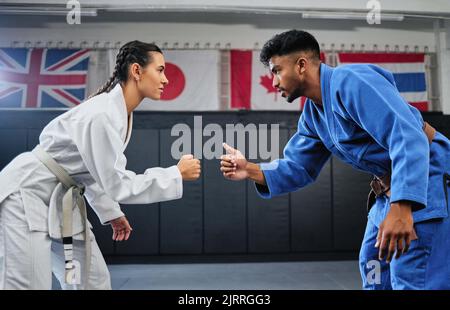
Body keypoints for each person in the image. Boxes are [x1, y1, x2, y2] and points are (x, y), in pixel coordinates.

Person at [220, 30, 450, 289]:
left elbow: (408, 136)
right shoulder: (313, 115)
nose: (273, 81)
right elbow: (298, 166)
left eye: (276, 70)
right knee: (374, 266)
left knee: (412, 273)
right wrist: (250, 169)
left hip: (426, 176)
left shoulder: (352, 81)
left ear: (301, 65)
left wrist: (403, 206)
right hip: (390, 190)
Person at [0, 40, 201, 290]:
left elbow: (92, 171)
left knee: (91, 280)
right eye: (160, 70)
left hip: (62, 199)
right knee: (28, 283)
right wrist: (175, 174)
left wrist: (111, 212)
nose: (166, 79)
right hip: (25, 196)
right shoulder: (103, 113)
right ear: (136, 71)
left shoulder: (117, 113)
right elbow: (116, 182)